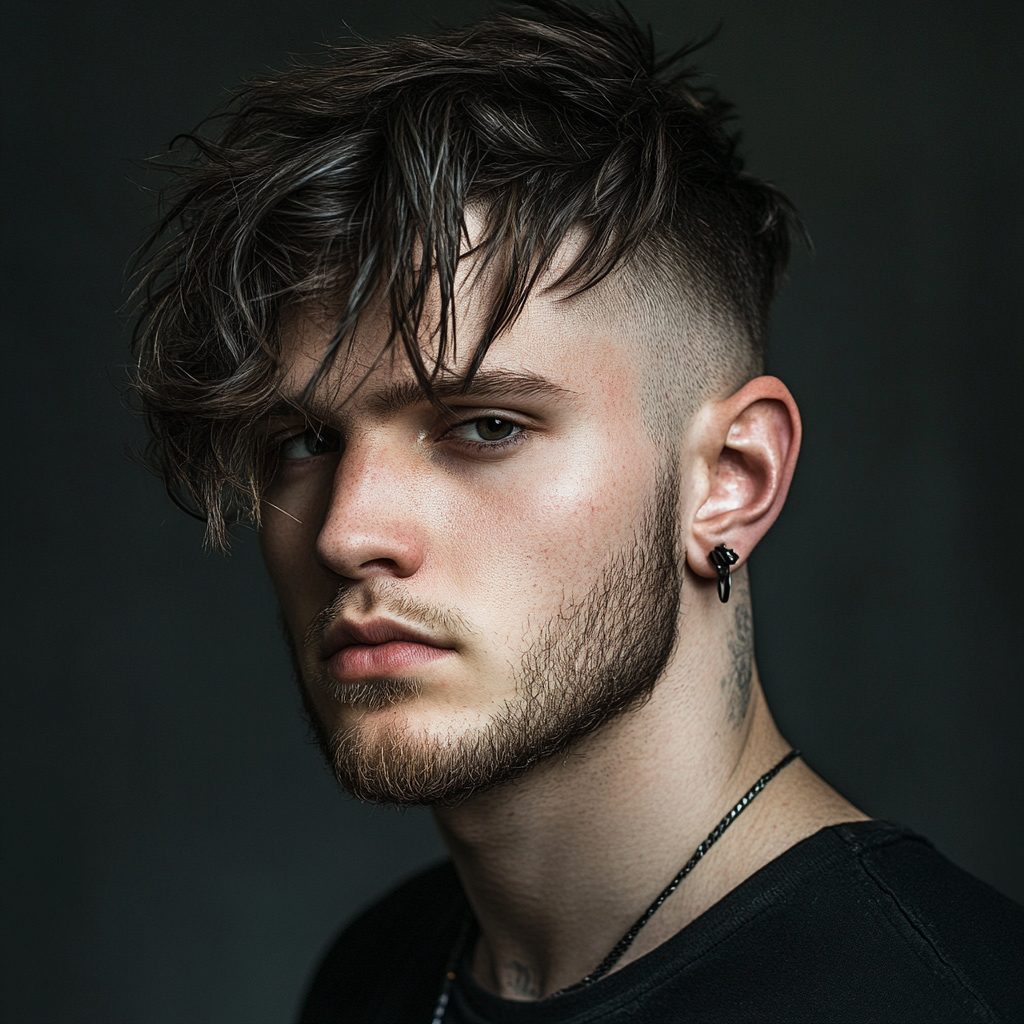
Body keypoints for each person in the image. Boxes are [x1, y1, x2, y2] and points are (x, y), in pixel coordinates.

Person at [130, 3, 1023, 1021]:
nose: (345, 531)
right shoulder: (378, 972)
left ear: (730, 477)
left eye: (486, 426)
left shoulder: (938, 998)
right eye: (303, 442)